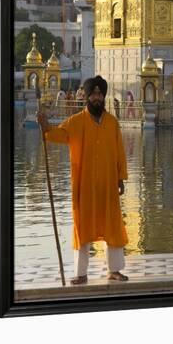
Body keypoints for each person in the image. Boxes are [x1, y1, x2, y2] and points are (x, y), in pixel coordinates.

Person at [37, 75, 129, 285]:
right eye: (94, 94)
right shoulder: (77, 121)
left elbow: (119, 152)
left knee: (112, 226)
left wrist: (121, 178)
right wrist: (45, 127)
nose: (97, 98)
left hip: (107, 185)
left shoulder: (112, 123)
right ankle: (81, 273)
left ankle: (114, 270)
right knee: (83, 227)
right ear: (87, 97)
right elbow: (57, 134)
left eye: (100, 94)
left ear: (103, 96)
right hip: (84, 185)